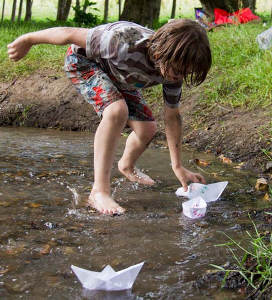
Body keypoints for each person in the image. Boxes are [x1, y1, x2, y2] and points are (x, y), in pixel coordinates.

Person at [7, 19, 212, 215]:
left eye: (186, 73)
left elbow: (172, 117)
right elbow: (68, 34)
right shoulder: (121, 41)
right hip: (84, 64)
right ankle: (99, 192)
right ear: (161, 51)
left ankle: (126, 166)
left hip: (120, 78)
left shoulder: (174, 70)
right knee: (116, 111)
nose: (178, 77)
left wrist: (177, 166)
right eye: (178, 70)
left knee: (147, 129)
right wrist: (28, 40)